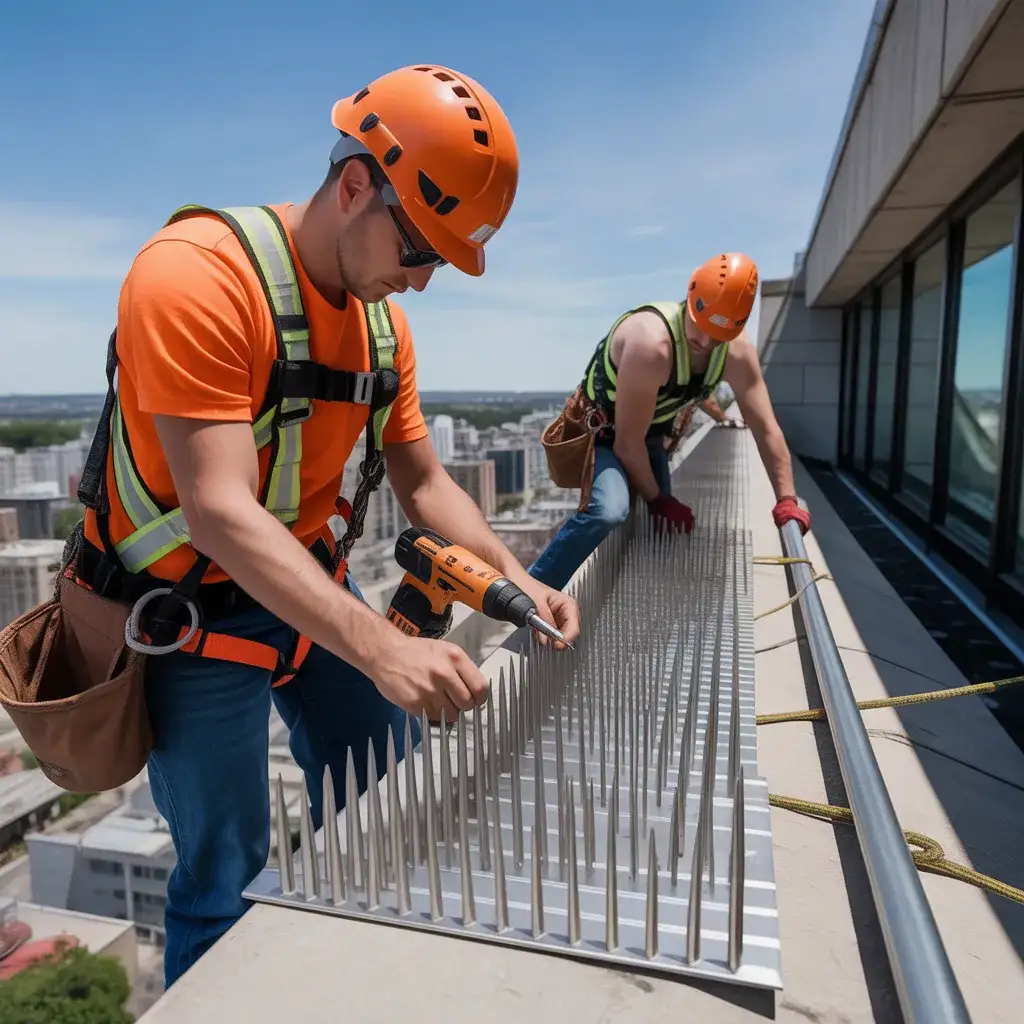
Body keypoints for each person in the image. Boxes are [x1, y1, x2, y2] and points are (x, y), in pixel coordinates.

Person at [72, 64, 579, 986]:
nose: (423, 283)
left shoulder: (382, 329)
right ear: (355, 186)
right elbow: (218, 511)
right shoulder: (194, 276)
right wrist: (381, 650)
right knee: (222, 874)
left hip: (306, 582)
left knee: (399, 790)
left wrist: (520, 572)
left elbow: (426, 483)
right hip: (187, 618)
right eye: (420, 251)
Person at [530, 253, 811, 592]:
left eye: (717, 337)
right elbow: (626, 446)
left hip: (648, 435)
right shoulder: (653, 344)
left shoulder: (735, 352)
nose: (706, 344)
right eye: (700, 331)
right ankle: (533, 589)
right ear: (690, 301)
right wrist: (660, 500)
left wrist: (787, 499)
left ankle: (634, 589)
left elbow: (766, 429)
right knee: (610, 510)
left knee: (666, 529)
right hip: (603, 435)